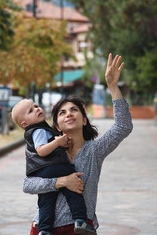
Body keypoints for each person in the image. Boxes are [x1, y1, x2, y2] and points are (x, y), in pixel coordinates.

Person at [23, 53, 133, 234]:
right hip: (43, 229)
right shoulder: (45, 149)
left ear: (83, 120)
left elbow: (123, 126)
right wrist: (60, 182)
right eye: (62, 112)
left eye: (74, 110)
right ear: (57, 126)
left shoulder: (95, 150)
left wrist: (113, 86)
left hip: (80, 229)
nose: (69, 114)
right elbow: (28, 185)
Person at [11, 99, 97, 235]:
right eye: (31, 111)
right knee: (74, 189)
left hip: (41, 171)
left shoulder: (39, 130)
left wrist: (60, 144)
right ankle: (80, 219)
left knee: (45, 201)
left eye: (36, 106)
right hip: (55, 167)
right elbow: (41, 150)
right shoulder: (38, 130)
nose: (37, 109)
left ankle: (45, 230)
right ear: (24, 124)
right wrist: (58, 143)